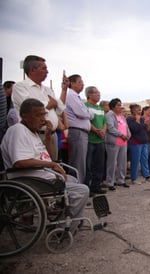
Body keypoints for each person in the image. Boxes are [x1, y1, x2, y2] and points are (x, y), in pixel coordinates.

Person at [0, 98, 89, 227]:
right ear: (24, 116)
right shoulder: (18, 130)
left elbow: (46, 157)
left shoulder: (32, 133)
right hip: (28, 180)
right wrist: (52, 165)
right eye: (38, 115)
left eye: (44, 114)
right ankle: (65, 227)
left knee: (73, 180)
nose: (43, 119)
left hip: (40, 177)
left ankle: (68, 215)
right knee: (82, 190)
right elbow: (19, 162)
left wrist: (47, 137)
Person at [12, 55, 67, 161]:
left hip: (52, 135)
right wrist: (49, 104)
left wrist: (64, 90)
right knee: (40, 168)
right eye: (44, 68)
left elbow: (60, 108)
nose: (47, 72)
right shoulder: (20, 87)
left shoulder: (47, 90)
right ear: (33, 70)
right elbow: (30, 110)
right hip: (35, 135)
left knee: (53, 166)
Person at [66, 75, 94, 185]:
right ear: (72, 83)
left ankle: (79, 187)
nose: (82, 84)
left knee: (81, 163)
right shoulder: (71, 96)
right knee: (77, 163)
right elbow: (82, 113)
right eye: (79, 82)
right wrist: (88, 113)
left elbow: (88, 114)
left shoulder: (77, 97)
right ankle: (76, 189)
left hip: (81, 133)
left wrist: (88, 113)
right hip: (77, 132)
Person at [84, 86, 107, 194]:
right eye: (96, 93)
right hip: (90, 140)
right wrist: (97, 131)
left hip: (100, 141)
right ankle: (87, 188)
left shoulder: (100, 109)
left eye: (99, 93)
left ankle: (96, 186)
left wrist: (102, 130)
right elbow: (86, 121)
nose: (98, 95)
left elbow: (104, 122)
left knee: (99, 164)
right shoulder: (85, 106)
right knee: (88, 165)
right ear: (89, 95)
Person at [105, 98, 131, 190]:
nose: (120, 107)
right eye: (118, 105)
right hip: (114, 142)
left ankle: (121, 180)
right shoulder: (109, 115)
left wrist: (128, 135)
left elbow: (126, 127)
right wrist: (121, 135)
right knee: (112, 163)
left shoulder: (122, 116)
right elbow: (111, 128)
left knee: (122, 162)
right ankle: (110, 182)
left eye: (120, 105)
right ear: (113, 107)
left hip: (123, 142)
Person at [126, 104, 150, 184]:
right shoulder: (129, 120)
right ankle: (134, 178)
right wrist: (137, 122)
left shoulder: (142, 119)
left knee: (144, 159)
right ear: (133, 111)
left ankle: (146, 176)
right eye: (138, 110)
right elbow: (135, 129)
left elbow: (144, 129)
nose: (140, 111)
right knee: (135, 161)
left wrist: (146, 124)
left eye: (140, 109)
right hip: (135, 143)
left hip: (143, 142)